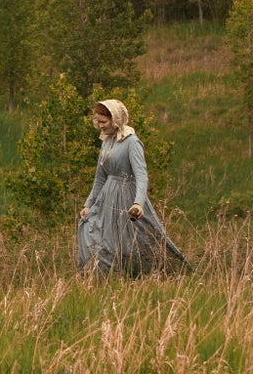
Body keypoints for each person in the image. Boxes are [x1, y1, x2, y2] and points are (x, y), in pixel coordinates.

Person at [77, 98, 188, 276]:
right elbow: (100, 177)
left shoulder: (132, 142)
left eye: (103, 122)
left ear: (116, 119)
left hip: (126, 197)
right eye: (97, 122)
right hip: (107, 198)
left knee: (135, 241)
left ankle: (161, 273)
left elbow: (141, 175)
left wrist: (138, 203)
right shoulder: (106, 142)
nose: (99, 126)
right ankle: (107, 277)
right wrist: (88, 204)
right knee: (97, 234)